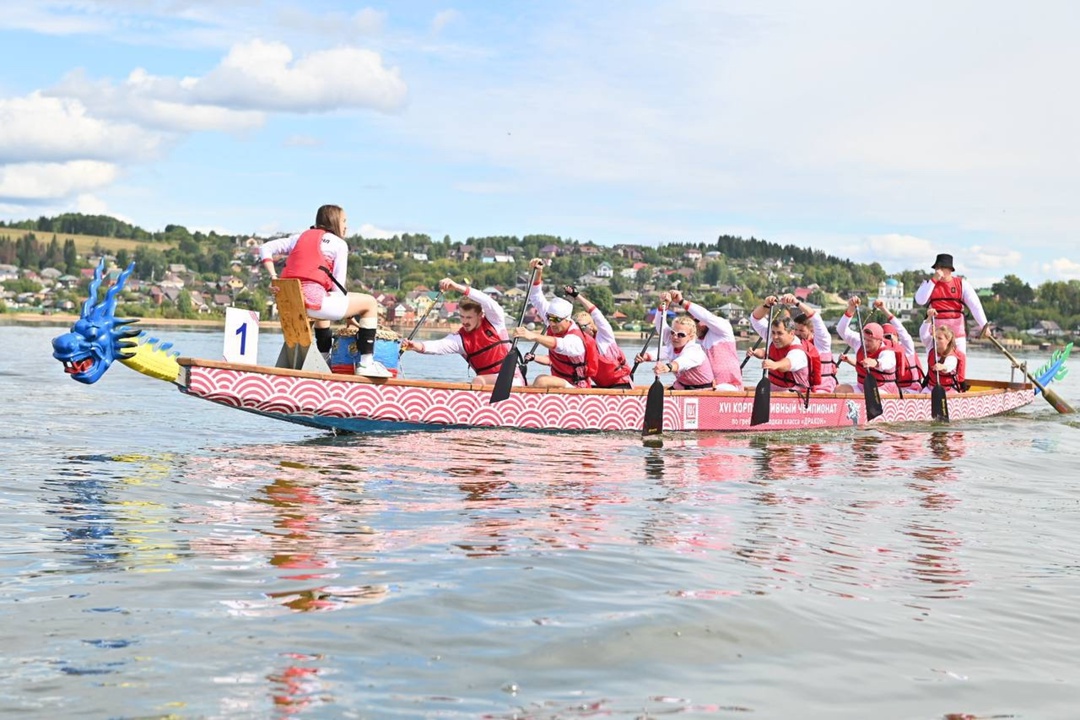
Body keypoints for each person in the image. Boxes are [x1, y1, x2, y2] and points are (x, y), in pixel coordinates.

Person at [259, 204, 389, 377]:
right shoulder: (339, 244)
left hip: (290, 303)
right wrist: (350, 315)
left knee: (323, 309)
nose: (346, 226)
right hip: (313, 302)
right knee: (370, 303)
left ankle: (323, 359)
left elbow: (264, 248)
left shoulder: (298, 238)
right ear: (334, 221)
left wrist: (274, 276)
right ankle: (366, 364)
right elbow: (338, 289)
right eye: (344, 221)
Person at [400, 277, 523, 387]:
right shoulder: (461, 339)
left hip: (512, 380)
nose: (465, 322)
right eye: (462, 317)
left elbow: (487, 301)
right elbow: (439, 346)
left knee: (478, 381)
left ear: (480, 315)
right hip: (489, 386)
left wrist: (456, 287)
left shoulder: (495, 322)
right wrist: (416, 346)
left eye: (469, 318)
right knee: (476, 382)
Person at [510, 259, 598, 388]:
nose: (551, 323)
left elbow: (560, 345)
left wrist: (533, 336)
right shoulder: (554, 319)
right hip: (560, 385)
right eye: (549, 318)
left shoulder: (576, 339)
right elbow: (536, 296)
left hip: (578, 389)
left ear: (568, 319)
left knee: (542, 381)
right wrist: (538, 272)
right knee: (517, 380)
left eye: (556, 320)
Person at [913, 253, 989, 354]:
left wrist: (984, 325)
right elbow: (920, 300)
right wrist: (934, 280)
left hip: (957, 334)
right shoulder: (928, 284)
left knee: (959, 363)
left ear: (949, 269)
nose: (938, 270)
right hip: (936, 335)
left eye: (942, 267)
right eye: (937, 268)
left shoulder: (962, 284)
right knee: (935, 365)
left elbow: (975, 306)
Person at [668, 290, 743, 390]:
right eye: (692, 321)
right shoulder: (692, 343)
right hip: (705, 388)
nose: (694, 325)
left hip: (730, 387)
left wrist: (681, 301)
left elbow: (706, 316)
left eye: (697, 320)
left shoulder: (723, 329)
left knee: (718, 389)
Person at [562, 285, 632, 388]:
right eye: (576, 327)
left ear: (590, 326)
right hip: (602, 387)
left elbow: (596, 313)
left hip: (621, 384)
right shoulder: (579, 345)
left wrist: (577, 296)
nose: (578, 331)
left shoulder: (605, 337)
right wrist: (569, 300)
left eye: (581, 327)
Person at [836, 297, 898, 395]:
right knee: (839, 389)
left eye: (870, 341)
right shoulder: (859, 342)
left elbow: (888, 362)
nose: (865, 343)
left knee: (870, 393)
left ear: (879, 340)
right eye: (864, 339)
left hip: (884, 390)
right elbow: (841, 330)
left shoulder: (887, 352)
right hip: (862, 388)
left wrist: (875, 362)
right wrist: (851, 308)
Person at [635, 312, 714, 390]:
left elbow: (681, 362)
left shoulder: (695, 351)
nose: (675, 337)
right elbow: (660, 350)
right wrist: (644, 356)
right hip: (681, 387)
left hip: (702, 391)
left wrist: (666, 367)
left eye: (681, 335)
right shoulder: (672, 346)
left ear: (691, 336)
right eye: (672, 333)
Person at [781, 293, 833, 392]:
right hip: (800, 387)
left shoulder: (822, 342)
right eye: (796, 330)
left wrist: (796, 302)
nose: (797, 333)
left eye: (801, 331)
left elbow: (816, 318)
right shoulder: (795, 342)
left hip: (822, 388)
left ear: (812, 330)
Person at [873, 299, 925, 393]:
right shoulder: (883, 353)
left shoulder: (907, 347)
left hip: (912, 389)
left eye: (889, 336)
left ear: (897, 337)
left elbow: (901, 329)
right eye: (884, 338)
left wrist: (883, 309)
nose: (887, 340)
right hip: (893, 389)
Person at [920, 310, 967, 393]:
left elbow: (949, 365)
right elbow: (923, 335)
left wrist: (943, 367)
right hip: (931, 388)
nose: (936, 340)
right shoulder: (932, 345)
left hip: (948, 390)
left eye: (940, 338)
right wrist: (929, 317)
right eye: (936, 337)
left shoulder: (952, 356)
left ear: (948, 340)